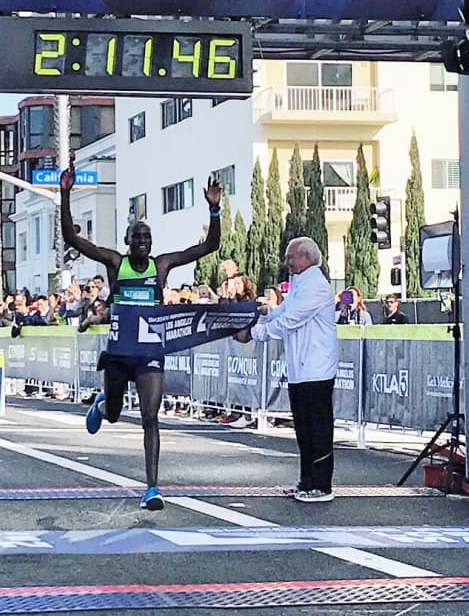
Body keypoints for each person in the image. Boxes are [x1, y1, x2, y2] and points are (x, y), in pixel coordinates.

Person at [61, 157, 221, 511]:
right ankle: (104, 404)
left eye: (147, 236)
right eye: (138, 236)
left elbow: (207, 248)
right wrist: (65, 194)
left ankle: (152, 487)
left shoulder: (161, 265)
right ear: (127, 241)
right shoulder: (115, 263)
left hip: (149, 353)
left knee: (151, 417)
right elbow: (72, 236)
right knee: (117, 413)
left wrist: (214, 211)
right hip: (119, 354)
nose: (144, 240)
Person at [235, 237, 339, 503]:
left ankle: (322, 485)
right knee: (303, 428)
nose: (287, 261)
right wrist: (265, 312)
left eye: (291, 256)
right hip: (299, 368)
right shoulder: (299, 283)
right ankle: (306, 481)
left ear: (306, 257)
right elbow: (284, 311)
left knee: (318, 427)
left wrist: (256, 333)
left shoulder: (316, 285)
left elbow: (293, 320)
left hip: (316, 367)